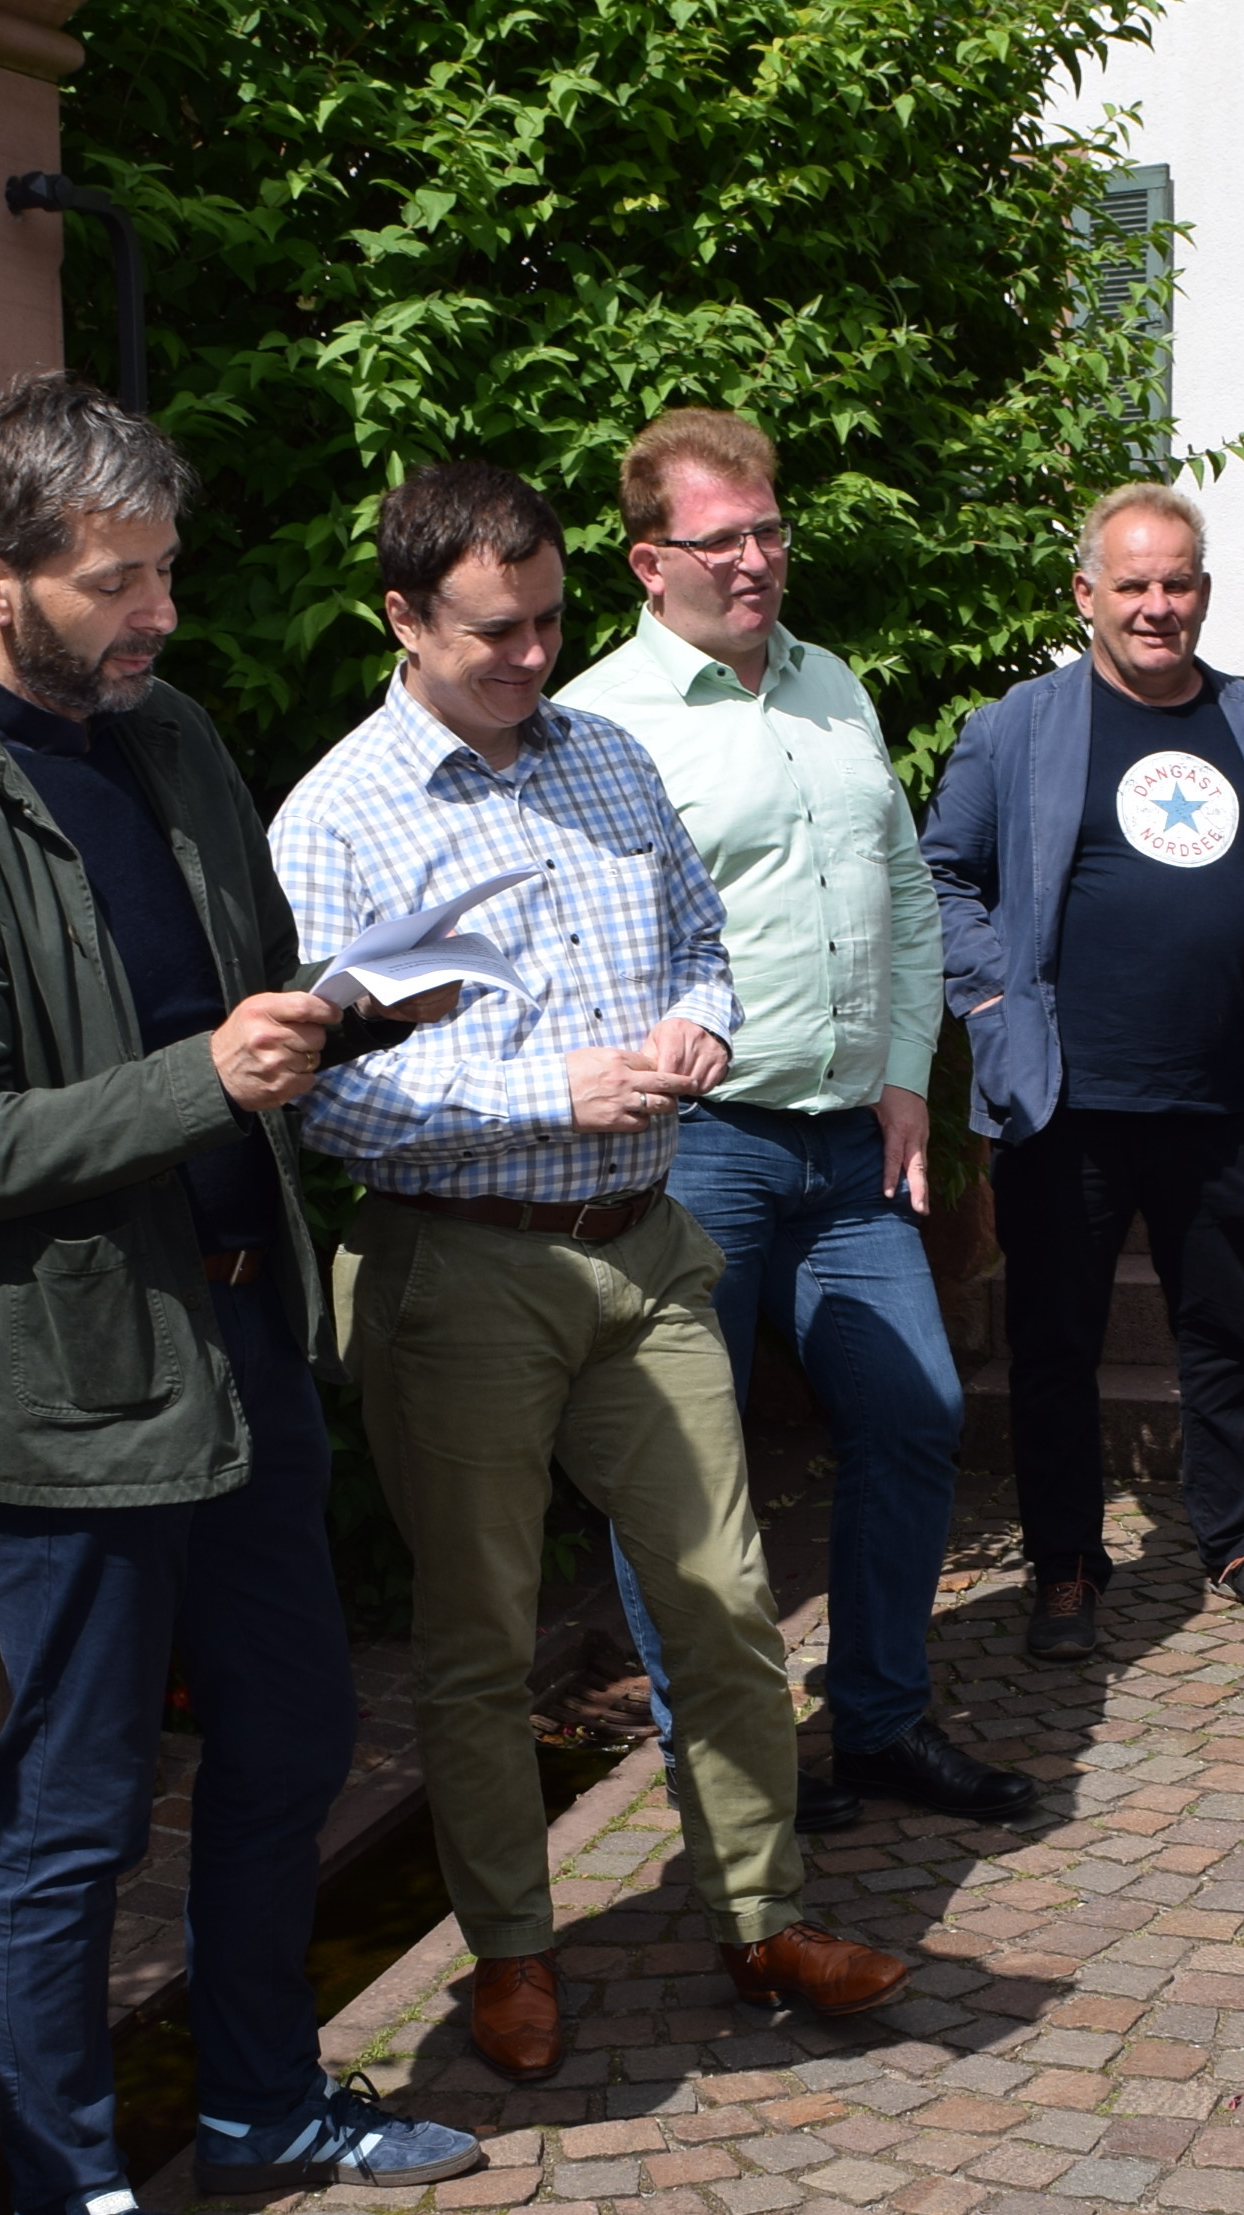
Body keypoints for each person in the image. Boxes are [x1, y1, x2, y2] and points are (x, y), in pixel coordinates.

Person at [0, 374, 483, 2215]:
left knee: (288, 1739)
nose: (157, 615)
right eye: (115, 582)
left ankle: (267, 2103)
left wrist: (324, 1024)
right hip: (80, 1390)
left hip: (245, 1336)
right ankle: (67, 2198)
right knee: (76, 1813)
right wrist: (195, 1075)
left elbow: (229, 988)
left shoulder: (170, 738)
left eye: (162, 572)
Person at [276, 460, 916, 2089]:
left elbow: (702, 937)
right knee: (484, 1637)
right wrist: (539, 1091)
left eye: (551, 621)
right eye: (496, 631)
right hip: (463, 1272)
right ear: (404, 618)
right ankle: (510, 1952)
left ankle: (761, 1913)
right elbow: (319, 1090)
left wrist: (703, 1019)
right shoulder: (337, 818)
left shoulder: (613, 760)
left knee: (722, 1600)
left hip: (642, 1251)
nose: (532, 657)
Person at [556, 408, 1036, 1835]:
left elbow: (892, 883)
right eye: (724, 540)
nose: (758, 559)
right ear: (652, 562)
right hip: (702, 1148)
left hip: (849, 1143)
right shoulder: (599, 721)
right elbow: (576, 942)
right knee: (686, 1470)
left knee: (916, 1416)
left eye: (770, 530)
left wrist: (904, 1073)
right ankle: (725, 1756)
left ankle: (879, 1723)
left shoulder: (833, 686)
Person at [927, 482, 1244, 1667]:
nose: (1155, 606)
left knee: (1223, 1325)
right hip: (1063, 1098)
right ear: (1086, 596)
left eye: (1175, 584)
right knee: (1055, 1343)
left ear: (1200, 593)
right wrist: (994, 1000)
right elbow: (943, 871)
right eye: (1132, 585)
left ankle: (1236, 1537)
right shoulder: (1018, 726)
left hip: (1216, 1096)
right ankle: (1064, 1563)